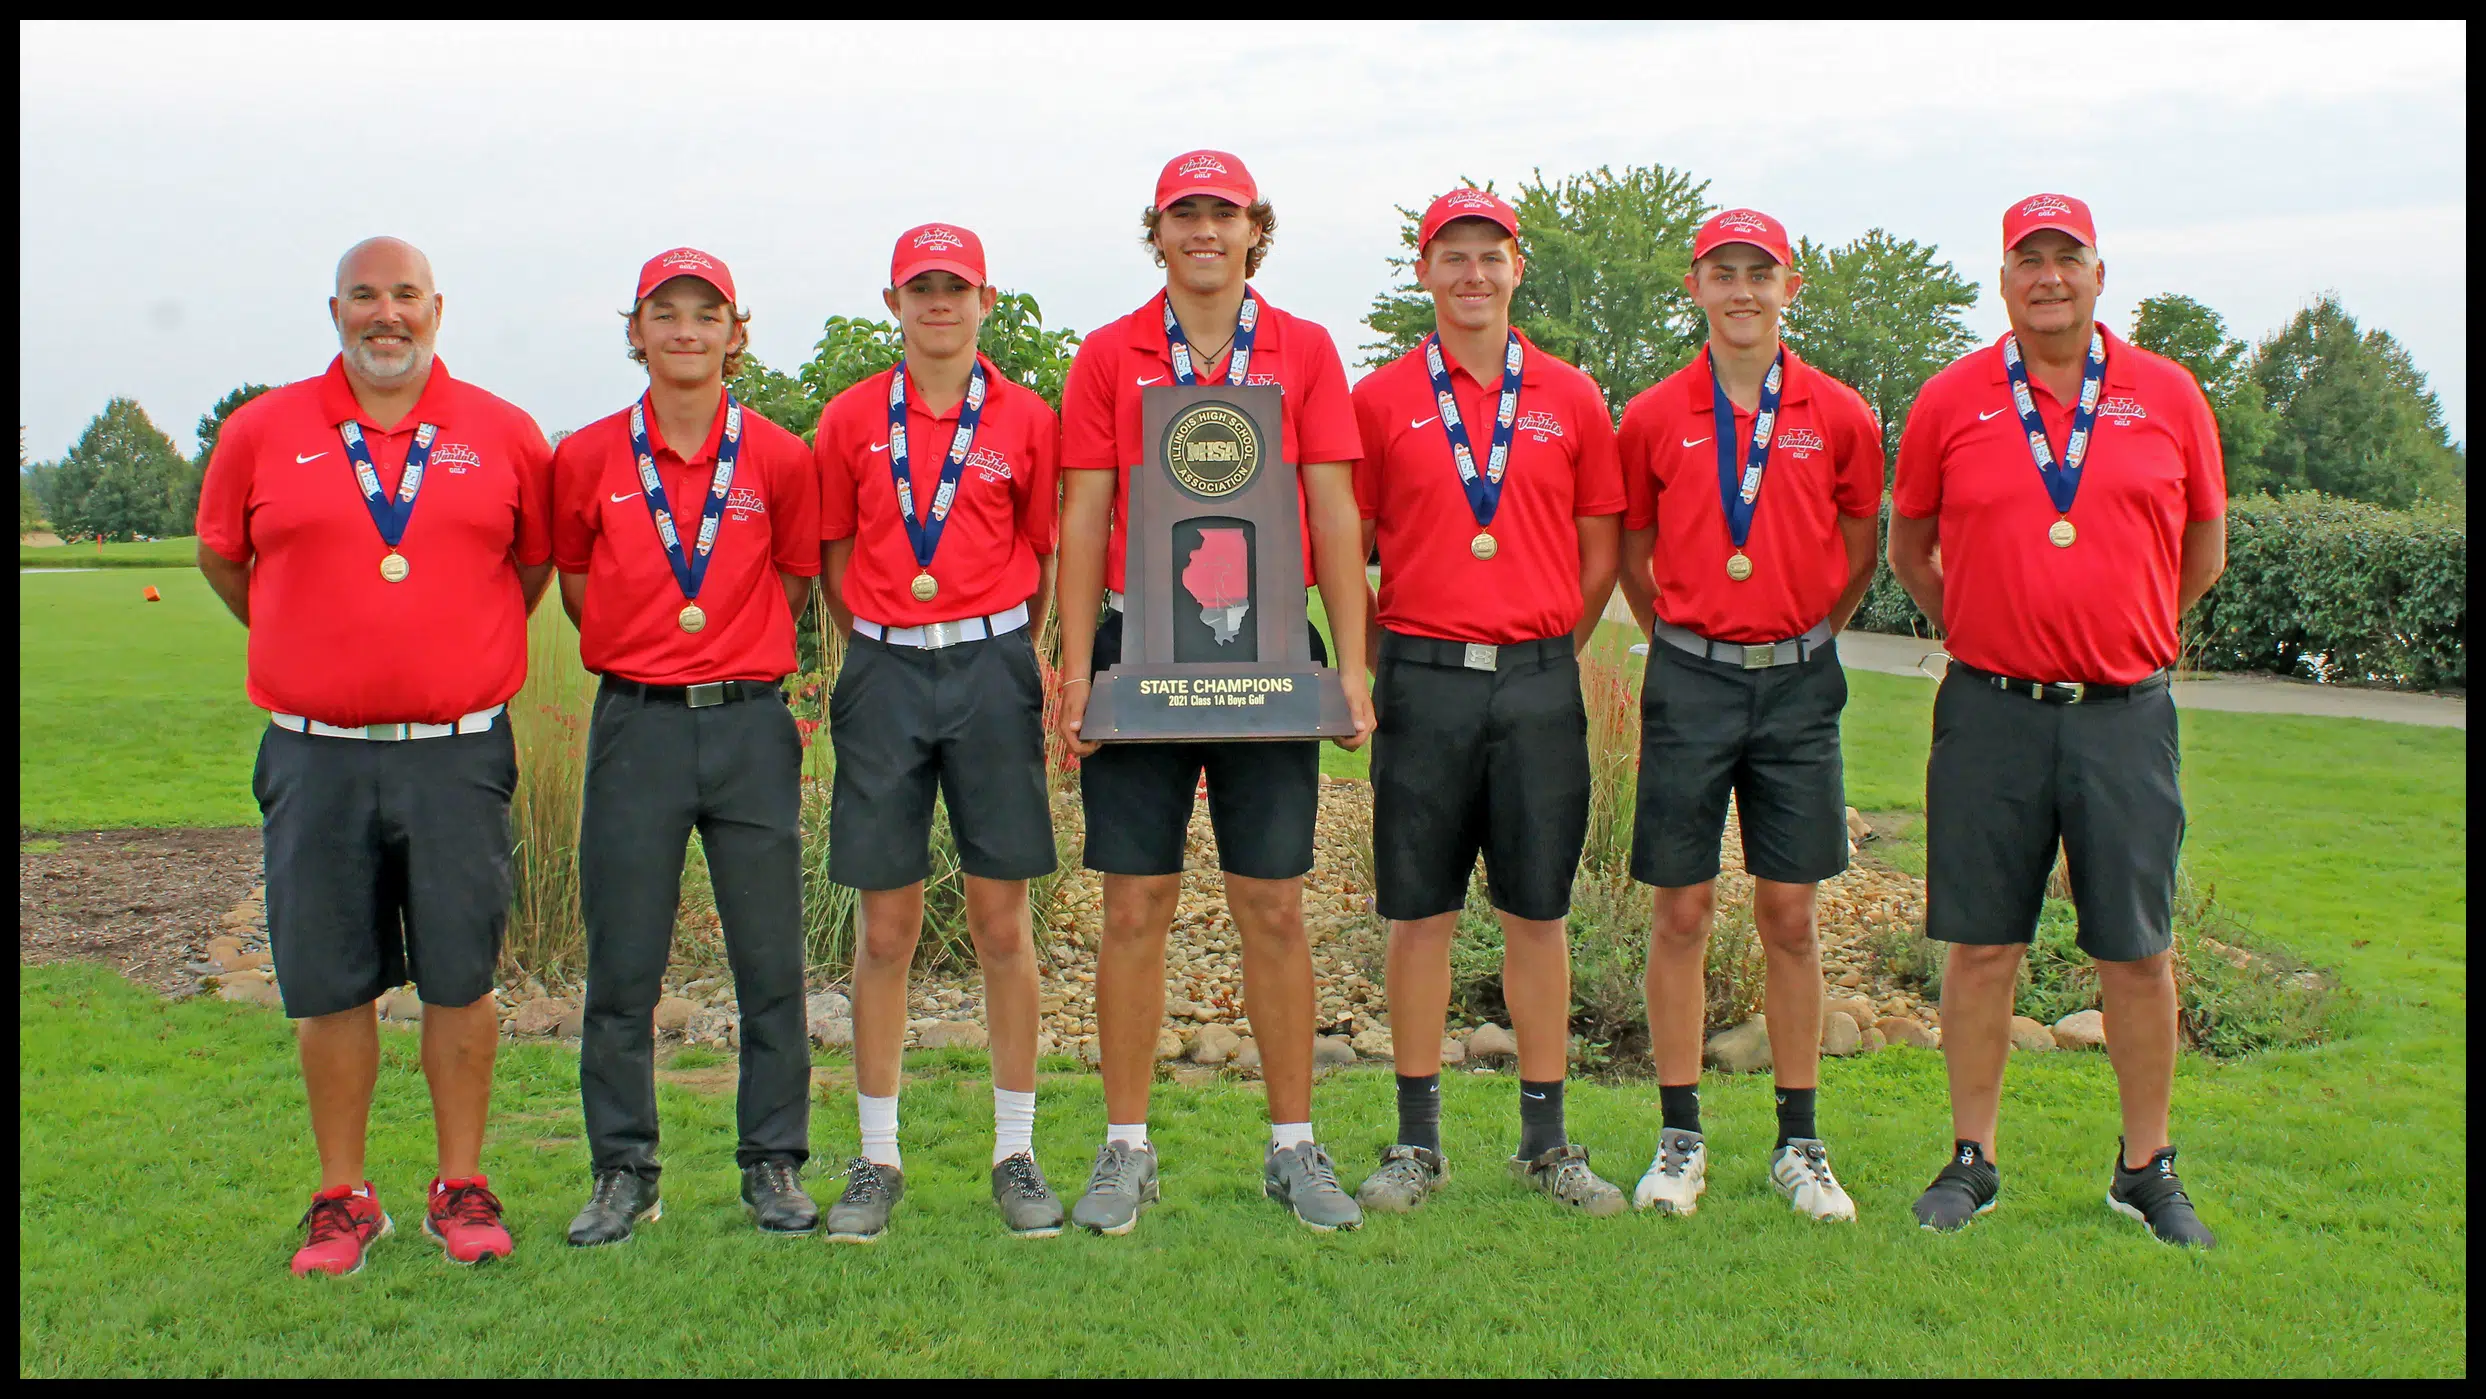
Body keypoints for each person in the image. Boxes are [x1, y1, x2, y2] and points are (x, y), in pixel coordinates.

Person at [196, 236, 554, 1274]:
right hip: (315, 755)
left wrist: (444, 661)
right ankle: (343, 1195)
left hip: (454, 753)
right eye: (365, 297)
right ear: (335, 310)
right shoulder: (263, 429)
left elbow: (526, 566)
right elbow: (227, 559)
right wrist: (313, 649)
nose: (384, 315)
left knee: (460, 973)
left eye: (404, 296)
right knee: (328, 982)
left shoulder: (498, 431)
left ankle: (460, 1184)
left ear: (436, 308)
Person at [1888, 193, 2225, 1247]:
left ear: (2095, 271)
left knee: (2134, 948)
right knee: (1983, 945)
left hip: (2123, 714)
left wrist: (2117, 631)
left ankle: (2143, 1166)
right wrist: (1991, 630)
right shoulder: (1950, 400)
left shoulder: (2168, 396)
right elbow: (1909, 550)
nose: (2045, 276)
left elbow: (2202, 548)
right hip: (1990, 711)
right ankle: (1971, 1158)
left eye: (2063, 257)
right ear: (2002, 279)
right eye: (2025, 259)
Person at [1051, 149, 1377, 1234]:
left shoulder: (1306, 350)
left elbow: (1332, 510)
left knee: (1273, 904)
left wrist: (1353, 665)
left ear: (1253, 228)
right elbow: (1083, 516)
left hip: (1268, 649)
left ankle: (1293, 1147)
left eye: (1221, 214)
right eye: (1183, 214)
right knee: (1133, 903)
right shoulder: (1108, 354)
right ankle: (1124, 1149)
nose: (1203, 231)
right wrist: (1070, 667)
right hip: (1141, 651)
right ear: (1157, 231)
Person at [1345, 188, 1628, 1217]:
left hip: (1536, 684)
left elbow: (1599, 543)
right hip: (1421, 679)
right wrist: (1383, 655)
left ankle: (1545, 1141)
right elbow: (1346, 550)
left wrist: (1549, 639)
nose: (1470, 274)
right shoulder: (1376, 399)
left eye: (1488, 256)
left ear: (1516, 269)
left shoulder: (1570, 394)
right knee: (1417, 913)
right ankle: (1416, 1143)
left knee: (1534, 913)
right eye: (1450, 257)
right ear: (1422, 273)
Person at [1615, 208, 1884, 1222]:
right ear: (1694, 285)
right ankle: (1678, 1134)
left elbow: (1857, 548)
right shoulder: (1650, 414)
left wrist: (1797, 631)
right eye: (1721, 272)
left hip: (1797, 686)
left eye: (1757, 273)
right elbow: (1635, 555)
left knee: (1789, 914)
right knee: (1679, 911)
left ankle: (1798, 1141)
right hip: (1688, 679)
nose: (1740, 290)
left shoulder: (1839, 413)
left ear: (1789, 286)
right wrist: (1689, 635)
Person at [550, 248, 822, 1244]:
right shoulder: (583, 458)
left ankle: (773, 1165)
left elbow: (792, 584)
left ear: (734, 333)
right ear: (634, 330)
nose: (684, 330)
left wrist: (726, 660)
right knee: (623, 963)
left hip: (749, 723)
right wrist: (651, 653)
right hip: (636, 723)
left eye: (704, 314)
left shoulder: (781, 459)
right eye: (664, 313)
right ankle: (624, 1171)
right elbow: (579, 585)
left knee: (769, 960)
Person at [812, 224, 1064, 1241]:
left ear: (984, 301)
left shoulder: (1026, 419)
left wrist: (1004, 653)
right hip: (882, 668)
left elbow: (1041, 554)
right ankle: (876, 1158)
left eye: (954, 288)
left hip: (992, 667)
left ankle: (1014, 1150)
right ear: (893, 303)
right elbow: (833, 558)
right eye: (920, 289)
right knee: (885, 930)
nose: (938, 306)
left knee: (1005, 925)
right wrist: (881, 644)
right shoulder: (847, 420)